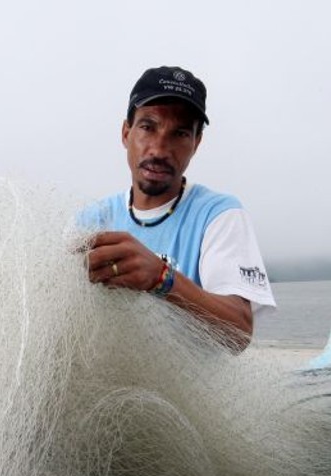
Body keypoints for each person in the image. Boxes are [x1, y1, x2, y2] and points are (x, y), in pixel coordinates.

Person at [82, 66, 275, 351]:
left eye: (180, 134)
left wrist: (162, 278)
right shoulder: (92, 219)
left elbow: (238, 334)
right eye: (148, 127)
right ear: (126, 133)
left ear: (196, 143)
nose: (159, 149)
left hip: (186, 395)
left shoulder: (219, 214)